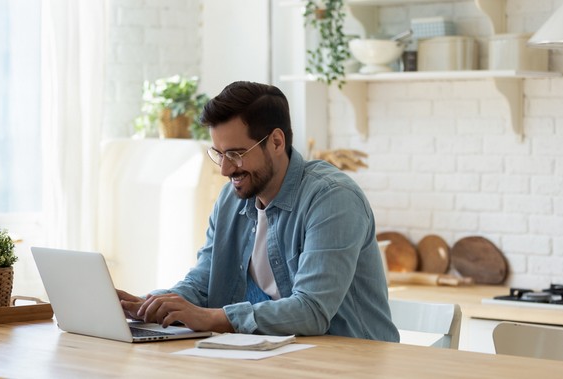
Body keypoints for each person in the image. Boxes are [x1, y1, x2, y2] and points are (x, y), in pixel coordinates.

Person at [117, 81, 399, 341]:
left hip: (352, 362)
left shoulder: (332, 198)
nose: (225, 169)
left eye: (236, 154)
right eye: (219, 154)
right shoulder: (231, 199)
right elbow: (204, 282)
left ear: (276, 142)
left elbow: (312, 310)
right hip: (280, 357)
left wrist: (211, 318)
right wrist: (150, 304)